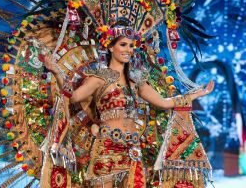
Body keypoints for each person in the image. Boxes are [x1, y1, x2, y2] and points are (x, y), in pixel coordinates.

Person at [44, 23, 214, 187]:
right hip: (107, 150)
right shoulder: (99, 78)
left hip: (132, 150)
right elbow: (73, 97)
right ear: (110, 47)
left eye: (131, 46)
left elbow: (164, 103)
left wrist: (195, 95)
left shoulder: (136, 81)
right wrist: (57, 73)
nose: (128, 50)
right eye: (123, 45)